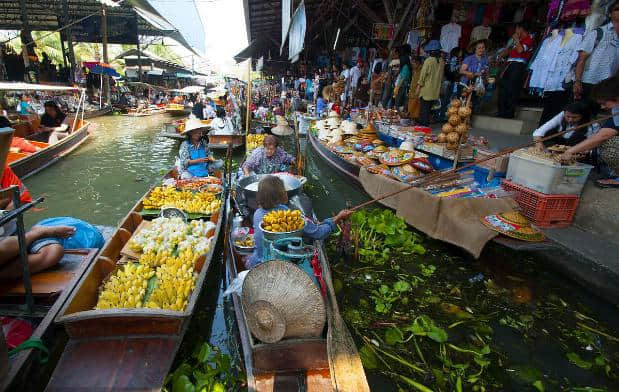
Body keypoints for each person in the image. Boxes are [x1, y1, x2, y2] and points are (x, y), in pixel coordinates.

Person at [246, 175, 352, 268]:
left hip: (258, 260)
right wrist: (338, 217)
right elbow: (318, 233)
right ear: (279, 195)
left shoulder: (257, 213)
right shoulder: (286, 215)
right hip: (279, 264)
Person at [561, 75, 619, 187]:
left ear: (616, 98)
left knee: (610, 144)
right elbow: (606, 130)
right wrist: (585, 147)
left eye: (604, 103)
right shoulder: (616, 108)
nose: (602, 107)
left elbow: (605, 135)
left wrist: (571, 151)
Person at [0, 217, 104, 280]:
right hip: (14, 245)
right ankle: (37, 233)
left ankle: (37, 233)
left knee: (53, 252)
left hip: (13, 239)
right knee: (54, 252)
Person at [572, 3, 619, 102]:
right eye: (617, 9)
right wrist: (577, 82)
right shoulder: (598, 32)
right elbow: (582, 59)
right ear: (610, 14)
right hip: (589, 83)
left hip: (609, 86)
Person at [497, 22, 535, 118]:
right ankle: (501, 112)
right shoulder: (518, 40)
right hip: (510, 65)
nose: (515, 31)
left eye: (517, 29)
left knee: (512, 89)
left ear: (521, 29)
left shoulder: (529, 39)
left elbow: (520, 50)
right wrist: (499, 56)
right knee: (503, 88)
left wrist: (517, 40)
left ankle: (508, 113)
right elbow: (509, 51)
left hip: (518, 66)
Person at [532, 101, 597, 148]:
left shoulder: (593, 125)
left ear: (582, 116)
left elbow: (591, 144)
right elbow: (539, 132)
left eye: (574, 117)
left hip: (577, 148)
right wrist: (539, 145)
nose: (570, 119)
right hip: (560, 145)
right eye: (568, 117)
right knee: (549, 133)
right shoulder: (562, 114)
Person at [416, 40, 445, 126]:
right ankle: (425, 126)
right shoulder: (442, 61)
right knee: (428, 111)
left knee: (424, 111)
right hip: (435, 90)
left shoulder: (428, 61)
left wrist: (418, 87)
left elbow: (422, 76)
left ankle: (424, 128)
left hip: (426, 90)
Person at [460, 39, 490, 109]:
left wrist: (488, 78)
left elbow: (487, 72)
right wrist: (475, 74)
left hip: (479, 86)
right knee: (464, 105)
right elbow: (461, 71)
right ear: (475, 49)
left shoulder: (485, 60)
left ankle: (470, 119)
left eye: (483, 47)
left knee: (473, 104)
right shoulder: (469, 58)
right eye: (479, 48)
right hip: (467, 85)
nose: (481, 49)